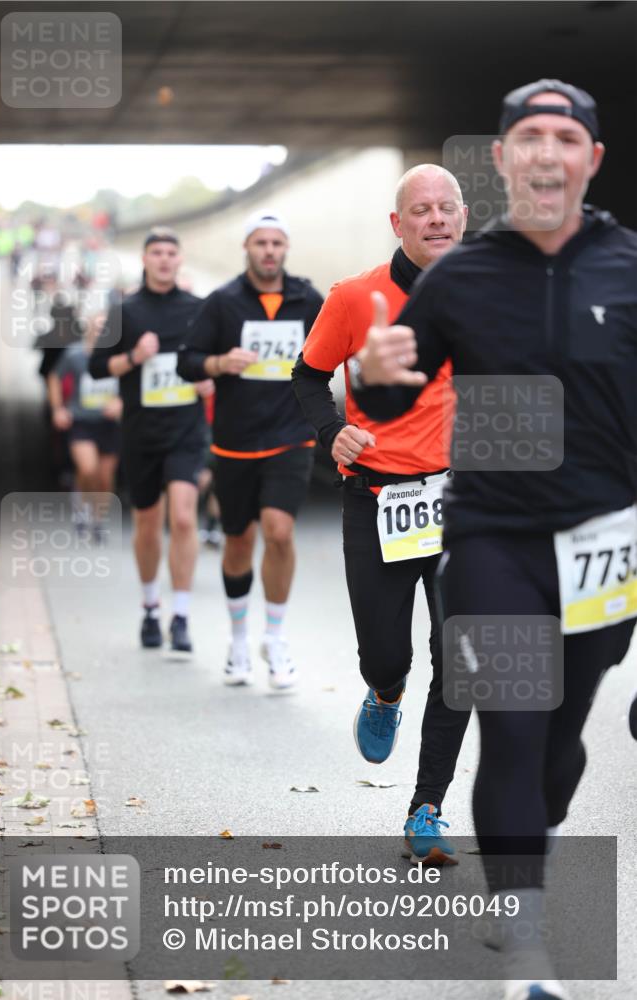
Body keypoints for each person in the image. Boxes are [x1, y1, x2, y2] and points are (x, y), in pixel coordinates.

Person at [352, 80, 637, 1000]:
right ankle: (524, 951)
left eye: (565, 137)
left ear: (590, 158)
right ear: (504, 159)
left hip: (601, 547)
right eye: (528, 137)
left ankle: (528, 854)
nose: (546, 152)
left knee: (558, 744)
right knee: (511, 734)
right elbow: (397, 396)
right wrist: (377, 376)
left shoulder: (628, 267)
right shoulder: (461, 277)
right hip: (494, 542)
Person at [292, 165, 470, 865]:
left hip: (464, 504)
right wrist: (329, 431)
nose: (435, 218)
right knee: (385, 654)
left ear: (461, 217)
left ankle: (426, 807)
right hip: (377, 502)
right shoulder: (352, 296)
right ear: (398, 225)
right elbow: (307, 376)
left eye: (446, 207)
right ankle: (384, 690)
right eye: (420, 209)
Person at [177, 211, 323, 688]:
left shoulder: (307, 298)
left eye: (276, 242)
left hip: (290, 435)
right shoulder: (223, 303)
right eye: (260, 242)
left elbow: (342, 345)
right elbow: (186, 362)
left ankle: (275, 638)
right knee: (238, 540)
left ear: (285, 249)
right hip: (236, 441)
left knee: (279, 533)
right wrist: (218, 361)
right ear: (247, 248)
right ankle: (239, 641)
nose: (268, 250)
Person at [89, 228, 213, 656]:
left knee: (182, 517)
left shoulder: (200, 309)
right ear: (144, 259)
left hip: (186, 431)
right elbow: (97, 367)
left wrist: (207, 379)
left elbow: (212, 363)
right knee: (147, 523)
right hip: (141, 433)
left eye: (170, 252)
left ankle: (180, 615)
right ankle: (149, 606)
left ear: (180, 260)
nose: (163, 259)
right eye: (156, 252)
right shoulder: (124, 310)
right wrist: (134, 358)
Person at [47, 312, 122, 537]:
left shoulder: (118, 356)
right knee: (88, 468)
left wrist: (121, 402)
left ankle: (97, 521)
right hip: (81, 421)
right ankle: (81, 504)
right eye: (97, 326)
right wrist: (58, 408)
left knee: (105, 477)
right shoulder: (75, 354)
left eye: (105, 327)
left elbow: (133, 382)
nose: (100, 331)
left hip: (109, 424)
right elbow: (54, 378)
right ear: (88, 328)